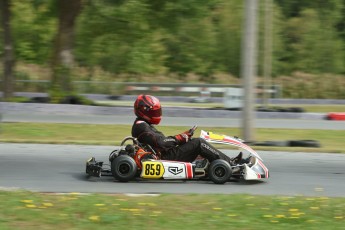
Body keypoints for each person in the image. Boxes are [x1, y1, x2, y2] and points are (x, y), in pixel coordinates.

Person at [131, 94, 242, 166]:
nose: (156, 114)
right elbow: (161, 142)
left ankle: (224, 162)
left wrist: (184, 137)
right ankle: (231, 164)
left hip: (164, 154)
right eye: (154, 112)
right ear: (144, 111)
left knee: (193, 142)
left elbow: (160, 141)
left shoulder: (143, 124)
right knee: (199, 143)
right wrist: (181, 138)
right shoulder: (141, 126)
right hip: (164, 158)